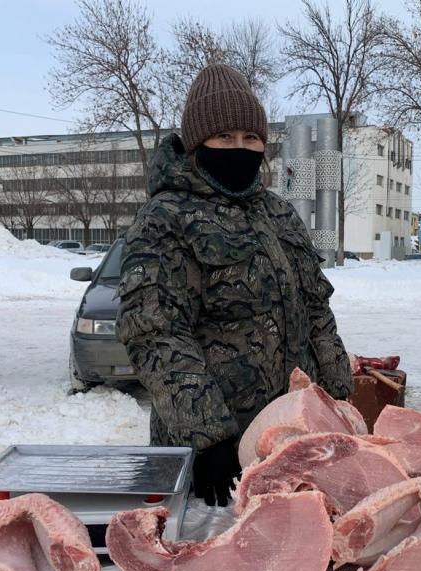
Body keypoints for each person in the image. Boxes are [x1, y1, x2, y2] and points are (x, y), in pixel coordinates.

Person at [116, 64, 353, 506]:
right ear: (196, 142)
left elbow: (316, 308)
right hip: (213, 455)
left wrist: (338, 398)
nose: (239, 149)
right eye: (224, 137)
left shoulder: (279, 214)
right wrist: (208, 437)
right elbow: (156, 332)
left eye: (251, 138)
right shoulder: (166, 218)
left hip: (291, 439)